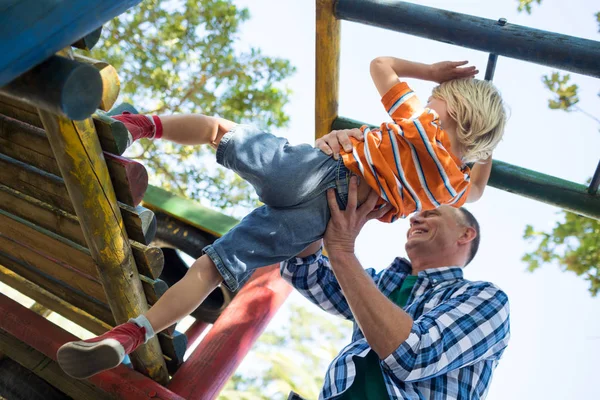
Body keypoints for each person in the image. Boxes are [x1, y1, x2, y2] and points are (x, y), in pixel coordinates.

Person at [56, 57, 507, 380]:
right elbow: (480, 185)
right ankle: (130, 335)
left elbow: (380, 65)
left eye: (437, 98)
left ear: (447, 106)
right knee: (212, 269)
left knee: (219, 131)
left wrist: (431, 73)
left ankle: (138, 126)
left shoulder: (420, 121)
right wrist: (483, 147)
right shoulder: (451, 187)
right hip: (327, 221)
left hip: (316, 170)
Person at [283, 144, 510, 398]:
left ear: (465, 234)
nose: (414, 218)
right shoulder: (382, 285)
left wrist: (341, 250)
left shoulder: (485, 298)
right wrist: (329, 192)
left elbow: (415, 354)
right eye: (416, 214)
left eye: (432, 213)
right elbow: (305, 271)